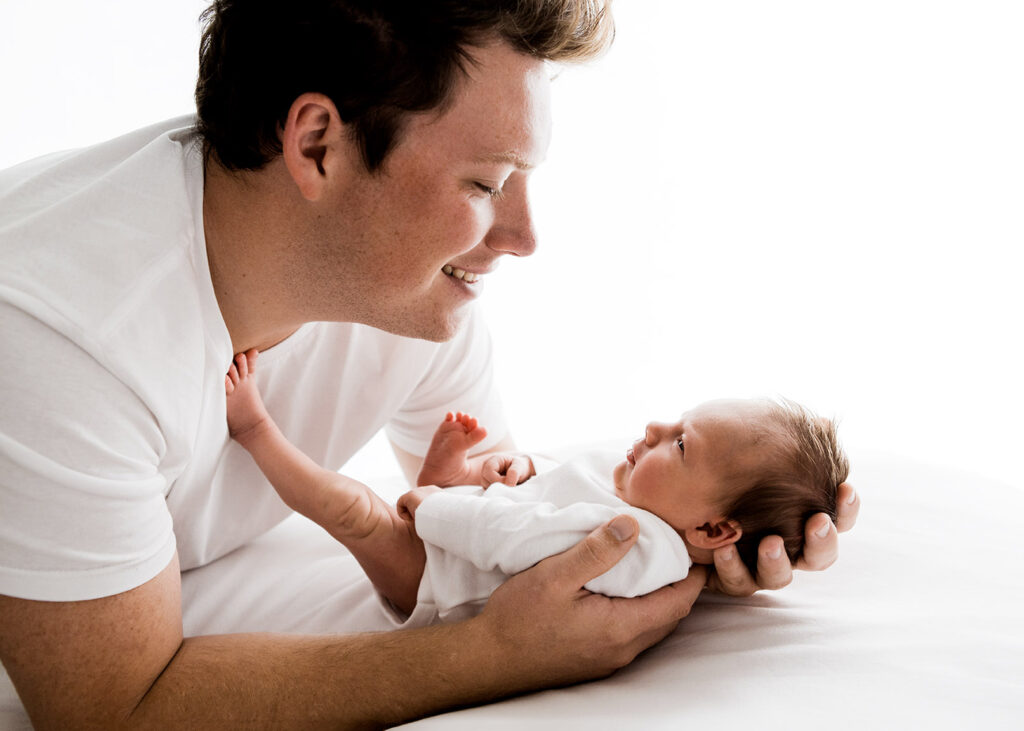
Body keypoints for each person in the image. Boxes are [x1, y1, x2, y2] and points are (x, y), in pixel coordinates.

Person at [0, 1, 859, 727]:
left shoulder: (405, 304)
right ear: (318, 146)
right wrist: (490, 654)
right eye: (486, 184)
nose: (524, 237)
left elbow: (491, 529)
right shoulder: (58, 339)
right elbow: (113, 707)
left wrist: (714, 534)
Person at [224, 351, 848, 625]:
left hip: (438, 580)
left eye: (680, 444)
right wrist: (520, 471)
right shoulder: (647, 502)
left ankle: (255, 429)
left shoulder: (642, 549)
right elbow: (552, 493)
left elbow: (517, 539)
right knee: (488, 471)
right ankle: (451, 476)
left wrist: (435, 506)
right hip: (464, 537)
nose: (656, 428)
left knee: (357, 511)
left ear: (714, 530)